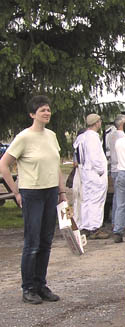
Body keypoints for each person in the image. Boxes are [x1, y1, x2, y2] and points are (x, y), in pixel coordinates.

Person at [0, 95, 65, 304]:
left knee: (46, 241)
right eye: (42, 110)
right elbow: (4, 164)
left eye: (48, 109)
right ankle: (28, 287)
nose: (46, 113)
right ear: (32, 114)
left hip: (50, 192)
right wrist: (16, 192)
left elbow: (56, 166)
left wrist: (62, 192)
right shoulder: (24, 137)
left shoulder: (52, 136)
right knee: (32, 242)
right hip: (32, 193)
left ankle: (41, 284)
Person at [76, 113, 110, 239]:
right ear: (97, 123)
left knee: (87, 200)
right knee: (97, 200)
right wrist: (101, 170)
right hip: (95, 173)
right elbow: (95, 156)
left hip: (86, 171)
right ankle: (95, 227)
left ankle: (86, 225)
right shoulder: (93, 137)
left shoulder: (82, 137)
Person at [107, 114, 125, 225]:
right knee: (122, 198)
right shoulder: (123, 136)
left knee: (117, 196)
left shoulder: (112, 135)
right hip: (122, 167)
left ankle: (116, 220)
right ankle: (120, 221)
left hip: (114, 167)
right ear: (122, 124)